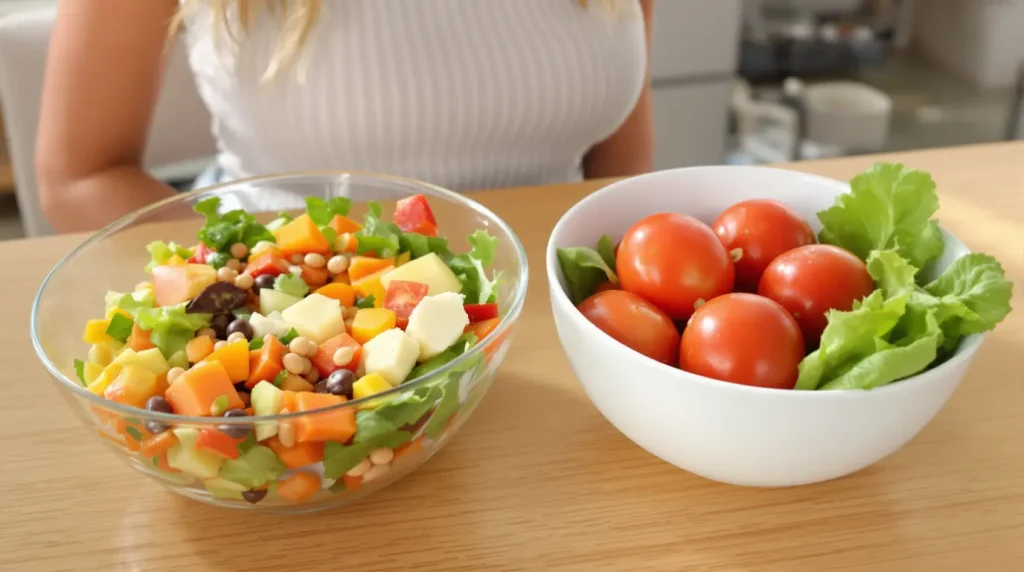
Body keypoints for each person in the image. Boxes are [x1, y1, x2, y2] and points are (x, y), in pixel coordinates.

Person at [36, 0, 654, 232]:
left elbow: (618, 153)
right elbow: (81, 176)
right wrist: (255, 285)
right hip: (295, 325)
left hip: (560, 313)